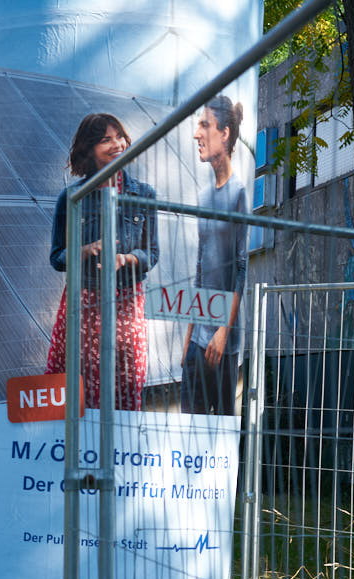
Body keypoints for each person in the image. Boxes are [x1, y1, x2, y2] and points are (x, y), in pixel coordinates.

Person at [45, 113, 160, 411]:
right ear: (89, 148)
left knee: (126, 380)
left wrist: (127, 259)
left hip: (127, 303)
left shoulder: (144, 194)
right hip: (83, 303)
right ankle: (73, 451)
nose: (116, 144)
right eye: (105, 139)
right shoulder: (71, 197)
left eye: (118, 136)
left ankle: (118, 452)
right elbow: (57, 257)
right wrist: (83, 251)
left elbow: (153, 253)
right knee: (76, 381)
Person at [181, 96, 248, 415]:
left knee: (220, 436)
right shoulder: (203, 197)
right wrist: (190, 333)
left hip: (224, 340)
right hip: (198, 339)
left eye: (204, 125)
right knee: (187, 432)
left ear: (224, 133)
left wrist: (223, 331)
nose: (197, 134)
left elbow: (241, 268)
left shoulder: (239, 194)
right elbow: (200, 267)